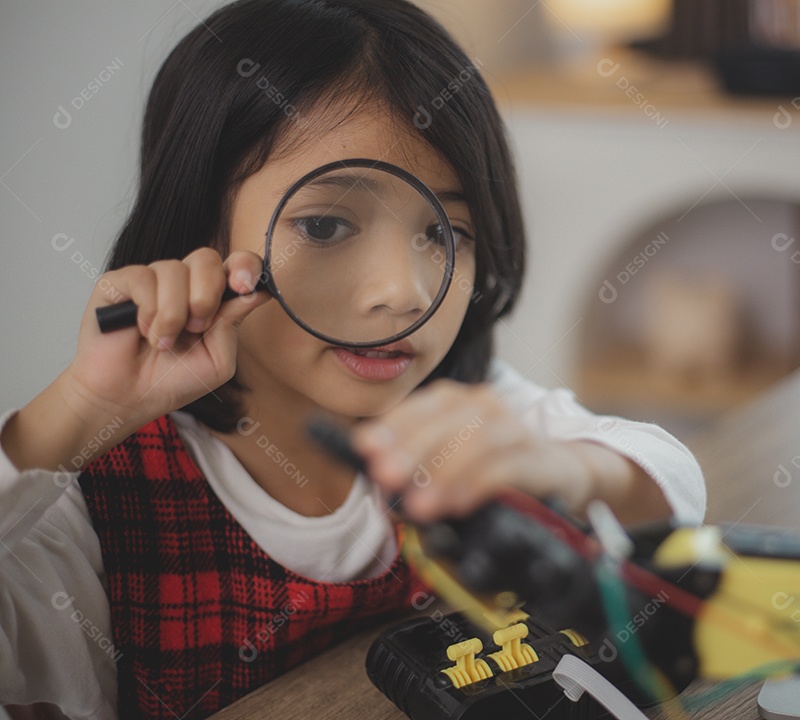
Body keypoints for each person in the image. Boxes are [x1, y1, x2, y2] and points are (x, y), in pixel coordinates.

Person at [0, 1, 706, 718]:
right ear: (199, 230)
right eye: (327, 224)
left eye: (444, 232)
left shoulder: (460, 415)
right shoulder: (85, 505)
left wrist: (574, 471)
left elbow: (670, 484)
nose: (403, 292)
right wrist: (83, 411)